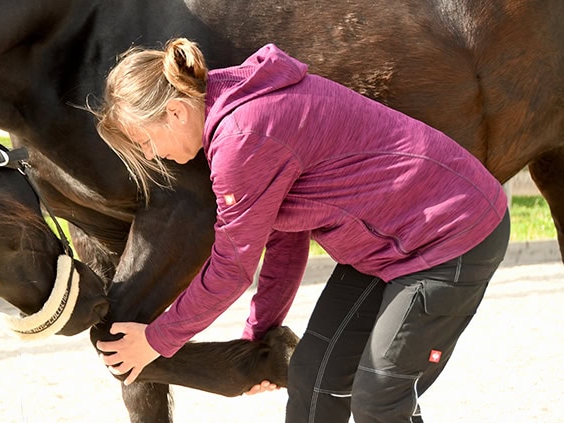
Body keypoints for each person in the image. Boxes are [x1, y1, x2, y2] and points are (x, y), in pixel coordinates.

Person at [92, 38, 509, 423]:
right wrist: (258, 342)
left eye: (144, 141)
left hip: (450, 237)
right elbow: (286, 239)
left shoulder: (241, 138)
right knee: (312, 378)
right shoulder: (237, 111)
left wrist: (157, 339)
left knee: (380, 398)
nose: (152, 155)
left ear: (176, 112)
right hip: (389, 246)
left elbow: (231, 269)